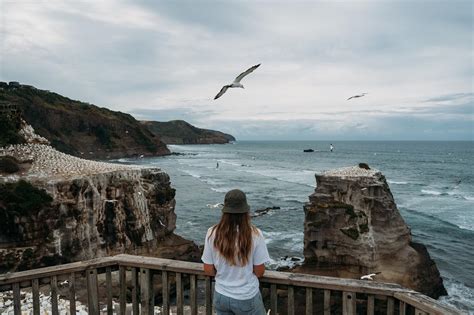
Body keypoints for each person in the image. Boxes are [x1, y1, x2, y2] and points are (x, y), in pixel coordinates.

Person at [202, 189, 270, 315]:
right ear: (245, 212)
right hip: (246, 296)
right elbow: (260, 272)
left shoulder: (212, 233)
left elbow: (208, 269)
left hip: (221, 295)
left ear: (225, 211)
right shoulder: (255, 234)